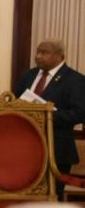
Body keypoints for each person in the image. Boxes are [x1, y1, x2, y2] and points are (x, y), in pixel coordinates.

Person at [14, 39, 85, 198]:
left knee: (52, 197)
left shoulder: (75, 80)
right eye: (37, 52)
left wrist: (47, 114)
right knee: (24, 195)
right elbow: (15, 102)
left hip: (57, 150)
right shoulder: (27, 75)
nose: (38, 56)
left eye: (44, 52)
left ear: (60, 56)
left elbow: (79, 113)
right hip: (25, 147)